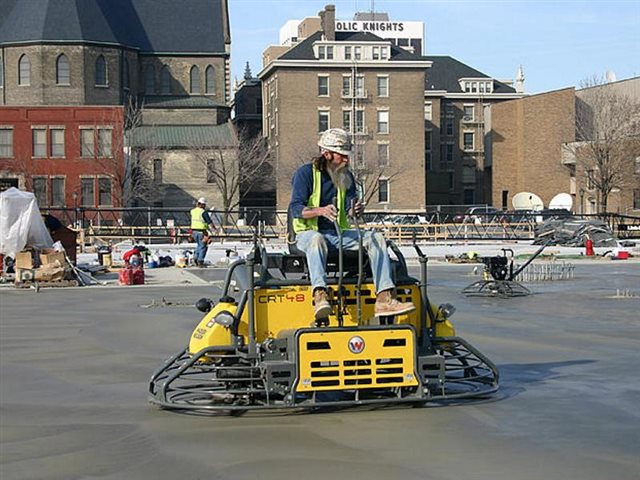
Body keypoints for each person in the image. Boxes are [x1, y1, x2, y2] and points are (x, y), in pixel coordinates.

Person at [289, 128, 416, 321]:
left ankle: (384, 299)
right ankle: (320, 295)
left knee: (376, 237)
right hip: (307, 234)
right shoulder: (305, 174)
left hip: (338, 234)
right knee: (316, 239)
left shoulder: (345, 177)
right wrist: (320, 211)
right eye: (342, 156)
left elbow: (349, 207)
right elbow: (296, 208)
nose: (347, 160)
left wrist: (355, 209)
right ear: (327, 154)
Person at [190, 197, 217, 267]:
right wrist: (214, 229)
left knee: (199, 245)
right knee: (203, 246)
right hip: (201, 232)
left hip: (194, 232)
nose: (205, 206)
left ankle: (195, 258)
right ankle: (200, 261)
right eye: (204, 205)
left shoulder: (193, 211)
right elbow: (209, 222)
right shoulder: (203, 212)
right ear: (202, 205)